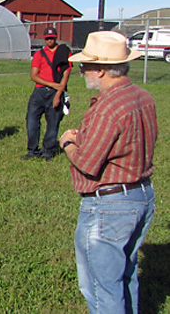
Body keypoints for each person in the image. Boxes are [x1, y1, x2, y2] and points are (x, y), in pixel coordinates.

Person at [60, 31, 156, 314]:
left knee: (101, 288)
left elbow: (88, 164)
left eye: (85, 66)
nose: (82, 72)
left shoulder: (108, 107)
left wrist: (68, 143)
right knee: (125, 276)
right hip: (141, 196)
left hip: (110, 204)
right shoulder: (142, 96)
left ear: (100, 70)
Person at [23, 26, 71, 161]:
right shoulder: (39, 54)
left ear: (56, 38)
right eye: (47, 38)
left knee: (53, 122)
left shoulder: (63, 52)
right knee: (32, 121)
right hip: (39, 91)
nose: (50, 41)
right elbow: (34, 75)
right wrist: (51, 84)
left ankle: (48, 151)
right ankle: (32, 150)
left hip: (55, 92)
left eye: (52, 38)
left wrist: (58, 93)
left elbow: (66, 73)